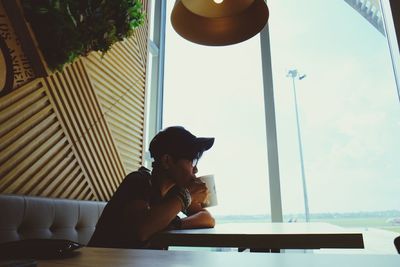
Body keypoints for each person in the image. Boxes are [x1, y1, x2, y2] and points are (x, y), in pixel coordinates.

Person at [88, 126, 215, 249]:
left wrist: (172, 223)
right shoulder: (138, 181)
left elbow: (207, 218)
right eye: (192, 162)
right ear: (167, 161)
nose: (196, 169)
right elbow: (141, 231)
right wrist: (187, 195)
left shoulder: (173, 192)